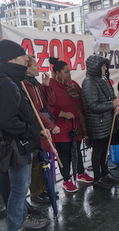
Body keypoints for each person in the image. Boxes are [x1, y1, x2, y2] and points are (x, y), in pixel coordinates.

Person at [0, 39, 48, 230]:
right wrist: (30, 132)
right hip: (16, 146)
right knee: (19, 190)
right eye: (23, 55)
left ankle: (20, 219)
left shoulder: (12, 81)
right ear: (11, 60)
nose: (27, 58)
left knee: (17, 189)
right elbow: (7, 120)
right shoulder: (7, 85)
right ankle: (16, 225)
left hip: (14, 145)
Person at [49, 57, 93, 192]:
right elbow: (47, 107)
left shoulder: (72, 83)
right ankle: (66, 179)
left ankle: (80, 172)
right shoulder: (50, 86)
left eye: (69, 71)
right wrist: (61, 113)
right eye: (66, 72)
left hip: (76, 125)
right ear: (57, 73)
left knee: (76, 150)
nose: (69, 74)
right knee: (64, 154)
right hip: (61, 127)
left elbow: (81, 100)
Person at [23, 56, 59, 204]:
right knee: (36, 163)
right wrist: (49, 125)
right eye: (35, 66)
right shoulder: (25, 85)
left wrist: (46, 86)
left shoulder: (35, 84)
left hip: (42, 127)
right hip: (35, 128)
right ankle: (36, 192)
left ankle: (44, 189)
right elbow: (33, 111)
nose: (38, 68)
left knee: (42, 160)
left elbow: (48, 103)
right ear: (27, 69)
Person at [82, 54, 119, 190]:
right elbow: (93, 105)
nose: (105, 68)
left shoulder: (103, 80)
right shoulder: (89, 83)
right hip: (97, 123)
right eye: (103, 66)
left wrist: (116, 106)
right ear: (95, 67)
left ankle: (105, 173)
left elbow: (112, 97)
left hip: (106, 121)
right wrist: (112, 105)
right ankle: (97, 178)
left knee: (105, 150)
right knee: (98, 151)